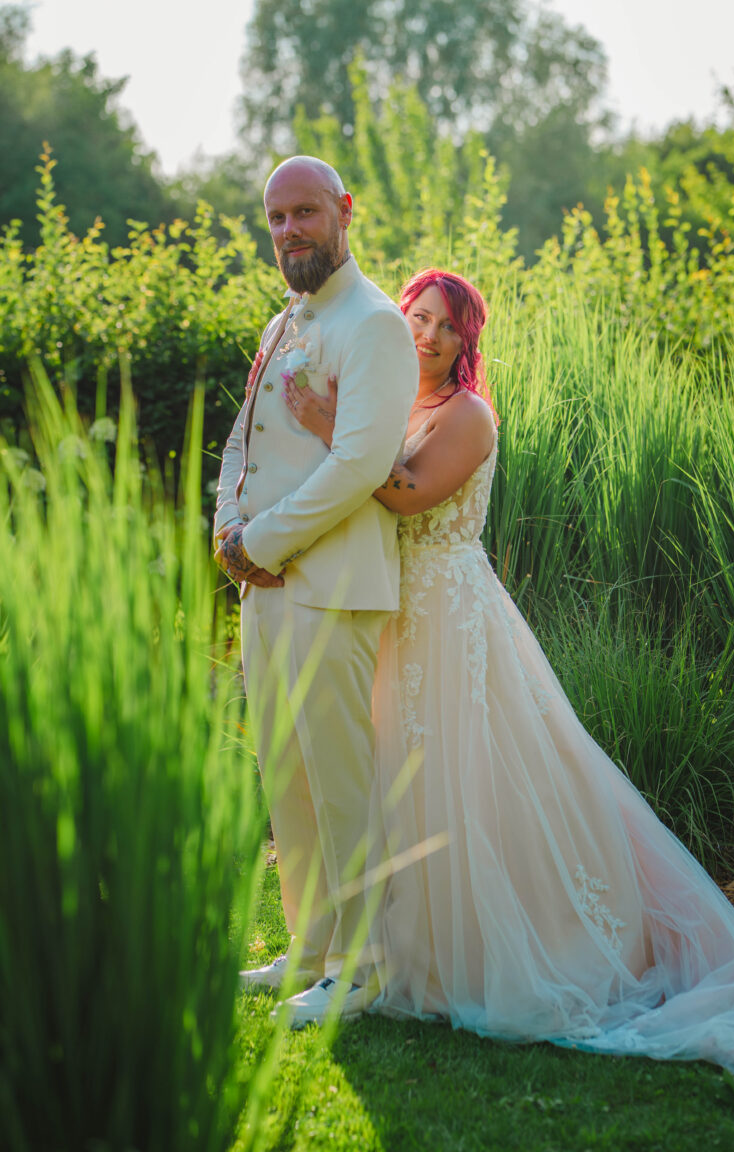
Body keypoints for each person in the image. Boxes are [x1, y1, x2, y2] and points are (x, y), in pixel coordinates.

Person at [281, 267, 734, 1075]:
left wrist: (328, 423)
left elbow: (407, 492)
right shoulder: (394, 403)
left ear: (467, 342)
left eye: (448, 326)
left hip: (447, 612)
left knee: (466, 776)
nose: (429, 335)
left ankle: (509, 949)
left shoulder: (467, 414)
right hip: (388, 608)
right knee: (388, 770)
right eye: (419, 317)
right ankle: (378, 949)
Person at [214, 156, 418, 1027]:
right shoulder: (283, 321)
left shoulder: (374, 324)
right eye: (276, 218)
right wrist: (227, 532)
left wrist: (261, 542)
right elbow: (240, 442)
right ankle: (308, 950)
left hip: (333, 588)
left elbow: (361, 464)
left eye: (304, 212)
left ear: (344, 211)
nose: (289, 230)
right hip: (265, 587)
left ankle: (362, 970)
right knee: (288, 780)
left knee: (339, 783)